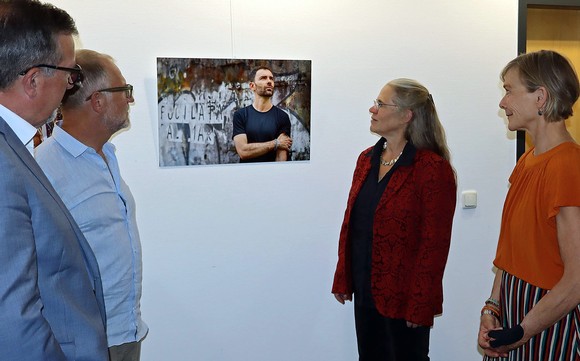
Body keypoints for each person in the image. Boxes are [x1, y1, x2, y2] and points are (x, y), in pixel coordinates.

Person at [0, 1, 109, 360]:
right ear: (33, 81)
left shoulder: (14, 146)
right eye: (70, 74)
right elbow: (13, 318)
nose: (70, 85)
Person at [332, 78, 457, 360]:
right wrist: (343, 275)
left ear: (406, 115)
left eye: (380, 104)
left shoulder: (431, 168)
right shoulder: (367, 159)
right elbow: (352, 224)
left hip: (404, 300)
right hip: (365, 292)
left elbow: (435, 244)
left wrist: (421, 303)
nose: (372, 110)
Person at [35, 49, 147, 361]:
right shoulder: (45, 168)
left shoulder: (107, 156)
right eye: (124, 90)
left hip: (125, 331)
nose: (131, 100)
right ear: (97, 101)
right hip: (83, 344)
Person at [478, 50, 580, 360]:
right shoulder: (527, 161)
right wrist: (492, 307)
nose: (502, 102)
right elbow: (510, 254)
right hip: (515, 312)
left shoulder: (567, 166)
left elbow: (576, 280)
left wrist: (522, 331)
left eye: (509, 90)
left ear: (540, 97)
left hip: (549, 325)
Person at [232, 66, 293, 162]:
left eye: (271, 78)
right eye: (263, 78)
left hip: (271, 175)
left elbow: (281, 159)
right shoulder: (240, 115)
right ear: (252, 86)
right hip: (246, 174)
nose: (269, 81)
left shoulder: (282, 117)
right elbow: (243, 151)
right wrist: (275, 143)